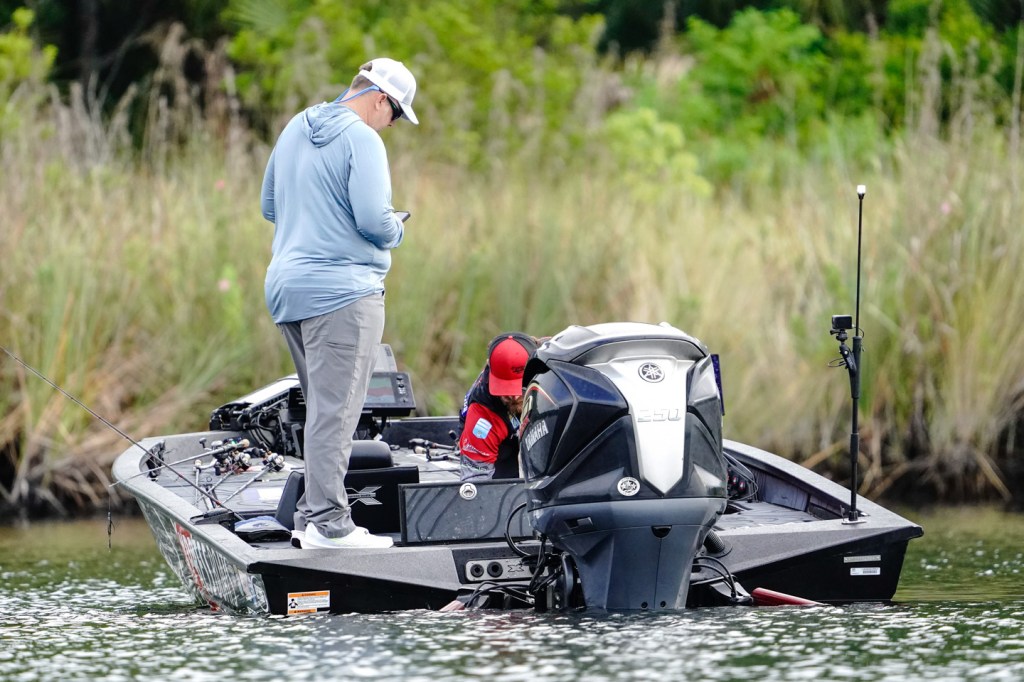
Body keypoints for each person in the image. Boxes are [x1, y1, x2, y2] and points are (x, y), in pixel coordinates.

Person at [260, 57, 418, 550]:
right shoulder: (363, 139)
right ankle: (330, 525)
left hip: (288, 290)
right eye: (396, 114)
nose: (392, 125)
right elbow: (373, 220)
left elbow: (269, 206)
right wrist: (397, 227)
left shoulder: (295, 126)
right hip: (343, 294)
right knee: (337, 414)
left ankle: (310, 519)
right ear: (379, 98)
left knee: (322, 411)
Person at [458, 333, 539, 481]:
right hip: (498, 445)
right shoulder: (482, 417)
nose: (514, 397)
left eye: (520, 386)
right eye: (507, 389)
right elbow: (476, 486)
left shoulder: (552, 359)